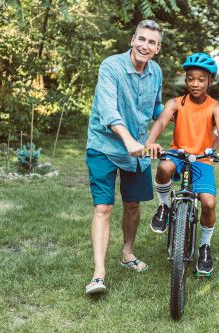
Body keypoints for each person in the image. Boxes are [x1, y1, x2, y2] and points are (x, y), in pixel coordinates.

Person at [84, 20, 163, 294]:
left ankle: (127, 254)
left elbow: (156, 109)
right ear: (132, 40)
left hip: (137, 151)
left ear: (157, 48)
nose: (145, 45)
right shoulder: (111, 66)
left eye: (151, 42)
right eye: (141, 39)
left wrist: (183, 112)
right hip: (104, 146)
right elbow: (108, 111)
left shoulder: (156, 73)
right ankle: (98, 275)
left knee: (132, 204)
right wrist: (128, 139)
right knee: (103, 208)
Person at [145, 52, 219, 275]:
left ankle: (204, 246)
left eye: (201, 80)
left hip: (203, 158)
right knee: (164, 167)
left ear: (210, 81)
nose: (195, 83)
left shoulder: (215, 107)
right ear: (186, 80)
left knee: (208, 203)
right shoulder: (175, 103)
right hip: (178, 154)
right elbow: (162, 121)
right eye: (191, 78)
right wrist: (150, 141)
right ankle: (164, 206)